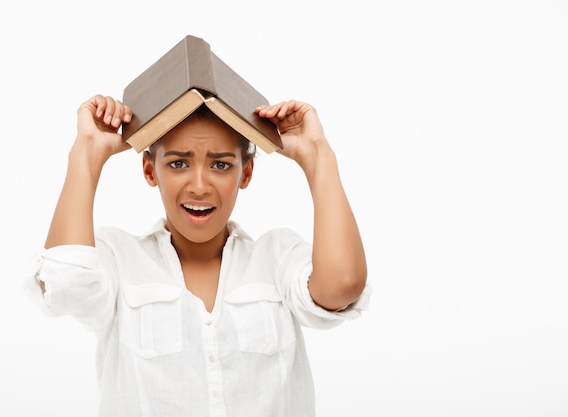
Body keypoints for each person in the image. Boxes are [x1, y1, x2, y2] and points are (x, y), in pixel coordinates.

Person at [24, 94, 370, 417]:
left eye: (220, 165)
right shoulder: (119, 258)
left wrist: (317, 154)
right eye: (178, 164)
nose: (200, 185)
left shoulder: (276, 257)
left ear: (245, 173)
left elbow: (343, 285)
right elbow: (64, 283)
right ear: (150, 171)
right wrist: (86, 152)